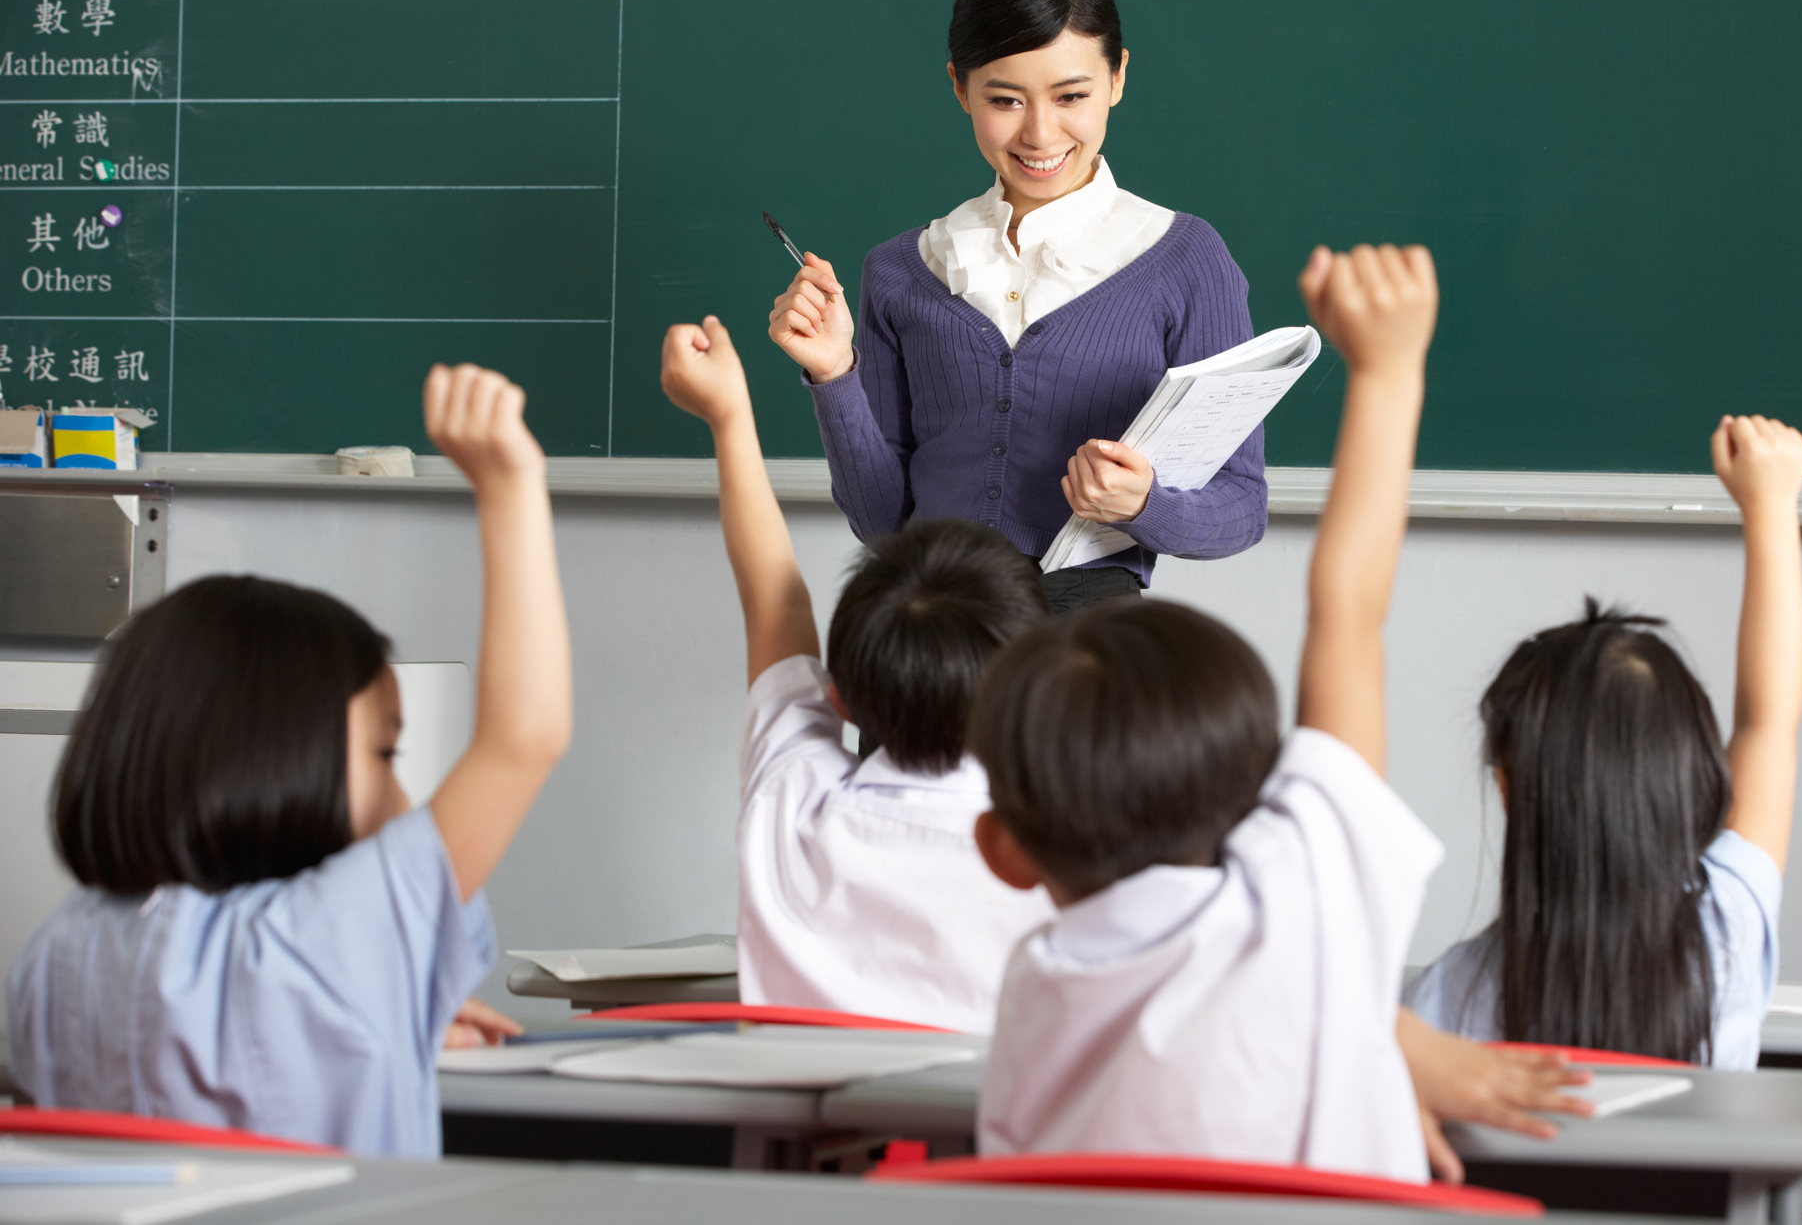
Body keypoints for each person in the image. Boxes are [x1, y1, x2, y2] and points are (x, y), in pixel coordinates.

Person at [966, 242, 1560, 1180]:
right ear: (1253, 782)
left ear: (999, 846)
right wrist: (1389, 368)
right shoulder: (1306, 907)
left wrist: (1377, 1041)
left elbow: (1344, 620)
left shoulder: (1027, 988)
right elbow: (1346, 615)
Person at [7, 365, 572, 1156]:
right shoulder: (331, 933)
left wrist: (381, 1017)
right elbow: (526, 734)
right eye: (383, 751)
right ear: (276, 755)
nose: (403, 792)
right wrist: (511, 481)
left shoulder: (59, 951)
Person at [768, 0, 1267, 613]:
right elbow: (881, 524)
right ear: (958, 87)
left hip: (1086, 647)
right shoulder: (901, 270)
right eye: (1004, 99)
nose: (1038, 133)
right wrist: (834, 373)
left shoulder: (1183, 259)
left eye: (1072, 96)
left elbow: (1239, 506)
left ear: (1117, 78)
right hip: (923, 634)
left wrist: (1143, 505)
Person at [662, 316, 1055, 1034]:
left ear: (837, 698)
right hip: (985, 1148)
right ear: (1029, 703)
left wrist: (728, 415)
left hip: (802, 1143)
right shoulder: (1056, 864)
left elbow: (775, 601)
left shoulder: (793, 798)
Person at [1407, 416, 1802, 1069]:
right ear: (1694, 774)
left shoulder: (1445, 1003)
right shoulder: (1725, 932)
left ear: (1507, 786)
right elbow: (1768, 723)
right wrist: (1771, 506)